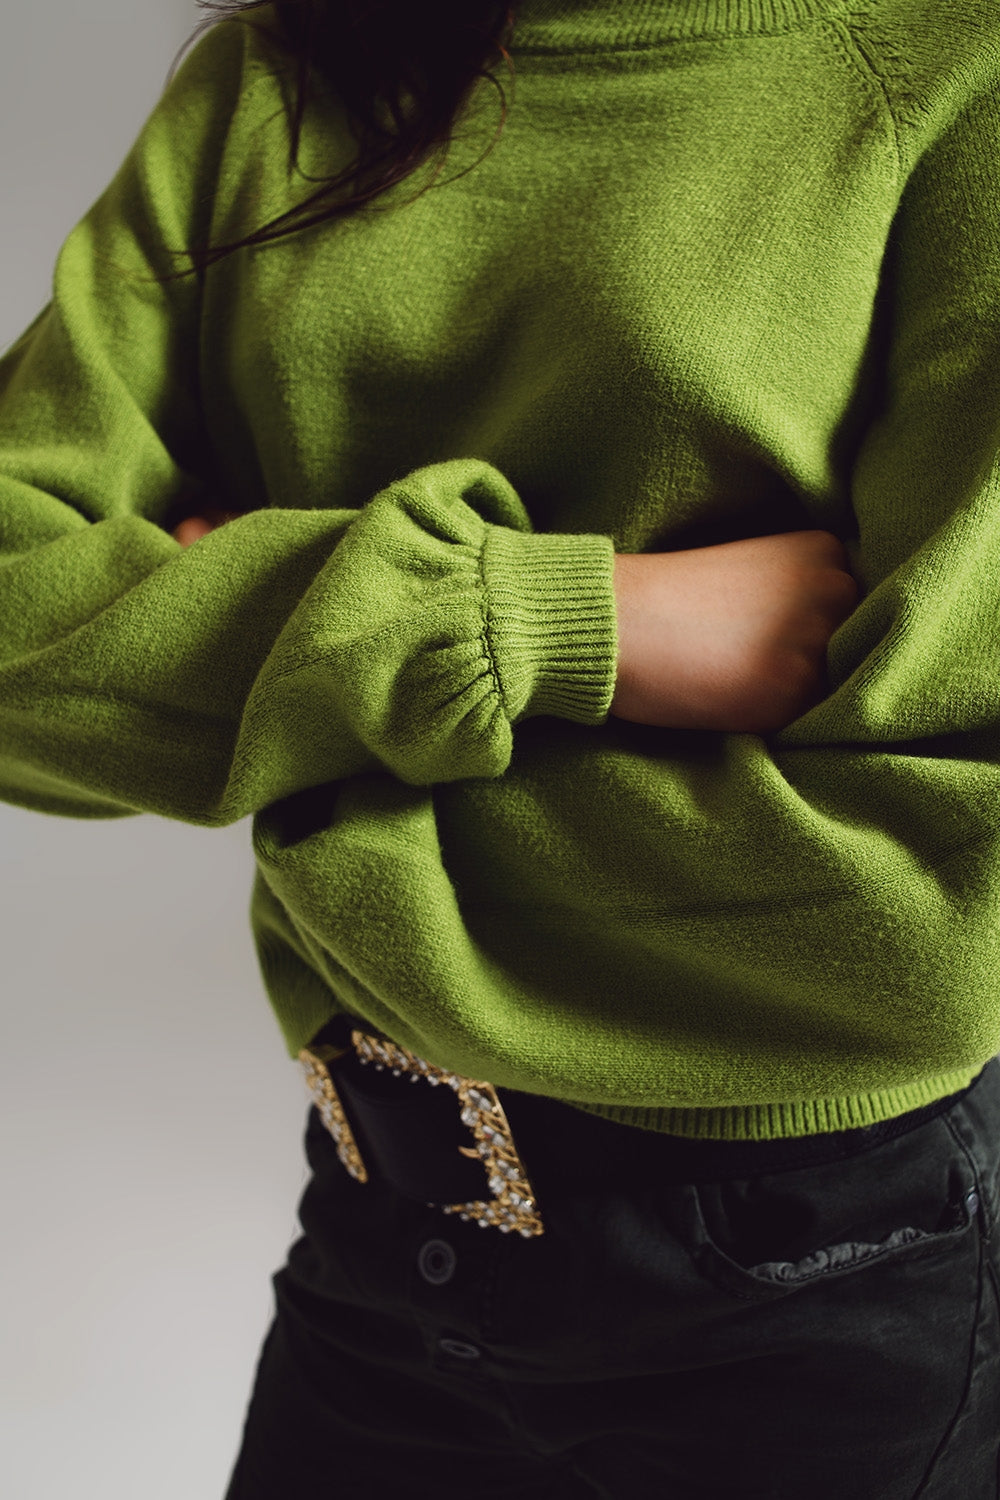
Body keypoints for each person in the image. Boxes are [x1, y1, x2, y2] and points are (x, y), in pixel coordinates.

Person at [1, 0, 999, 1494]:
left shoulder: (954, 79)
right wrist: (569, 623)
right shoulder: (276, 80)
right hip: (376, 1246)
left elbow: (939, 928)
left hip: (815, 1289)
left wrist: (281, 680)